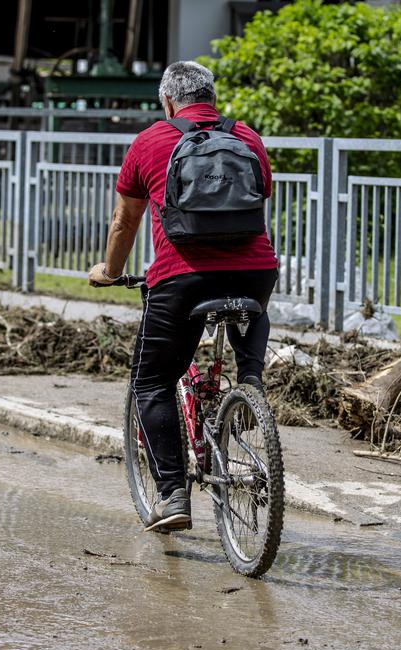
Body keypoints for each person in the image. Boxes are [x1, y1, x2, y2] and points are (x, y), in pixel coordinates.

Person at [88, 61, 278, 533]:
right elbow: (260, 197)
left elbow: (124, 222)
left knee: (151, 382)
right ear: (210, 97)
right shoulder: (247, 138)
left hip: (181, 278)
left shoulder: (151, 141)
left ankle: (173, 494)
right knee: (249, 310)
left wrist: (110, 272)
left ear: (169, 101)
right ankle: (250, 379)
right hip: (255, 272)